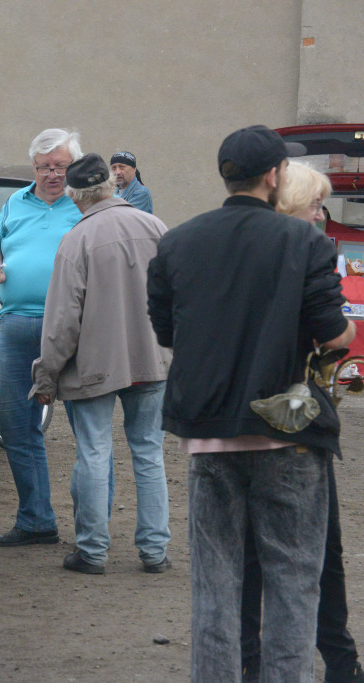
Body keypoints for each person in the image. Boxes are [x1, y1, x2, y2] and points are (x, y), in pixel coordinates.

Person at [146, 124, 356, 681]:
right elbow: (333, 332)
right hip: (287, 435)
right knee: (294, 580)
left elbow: (167, 330)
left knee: (215, 584)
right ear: (274, 175)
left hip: (208, 436)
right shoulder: (304, 242)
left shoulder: (178, 242)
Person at [240, 161, 364, 683]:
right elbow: (334, 334)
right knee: (316, 546)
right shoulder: (304, 255)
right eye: (315, 205)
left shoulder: (243, 254)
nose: (320, 215)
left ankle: (260, 659)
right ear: (290, 204)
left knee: (256, 550)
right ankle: (336, 658)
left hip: (246, 413)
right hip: (293, 414)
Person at [30, 153, 172, 575]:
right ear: (111, 184)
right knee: (149, 452)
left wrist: (46, 376)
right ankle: (155, 552)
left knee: (93, 452)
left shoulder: (77, 239)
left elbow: (61, 322)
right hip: (153, 361)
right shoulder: (156, 227)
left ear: (75, 196)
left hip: (95, 365)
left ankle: (92, 552)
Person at [0, 128, 83, 547]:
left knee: (88, 430)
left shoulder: (84, 204)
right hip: (17, 326)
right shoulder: (15, 202)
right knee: (17, 425)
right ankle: (36, 521)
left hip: (72, 327)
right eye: (44, 167)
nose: (52, 174)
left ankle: (93, 532)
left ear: (72, 166)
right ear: (34, 167)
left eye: (60, 166)